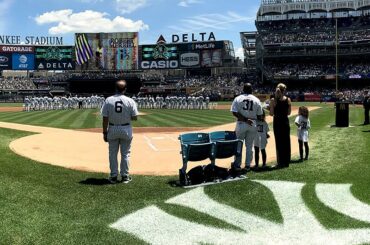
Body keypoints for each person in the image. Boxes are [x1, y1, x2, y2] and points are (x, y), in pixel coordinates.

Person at [101, 80, 138, 184]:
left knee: (112, 154)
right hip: (126, 128)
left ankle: (113, 176)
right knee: (125, 154)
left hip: (112, 128)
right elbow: (135, 117)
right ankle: (125, 176)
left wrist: (104, 132)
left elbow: (105, 118)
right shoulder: (130, 101)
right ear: (125, 89)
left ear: (116, 89)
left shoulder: (108, 100)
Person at [231, 83, 263, 171]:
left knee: (238, 145)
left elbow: (234, 112)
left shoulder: (238, 98)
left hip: (241, 123)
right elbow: (260, 115)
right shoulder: (256, 99)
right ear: (251, 89)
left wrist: (245, 119)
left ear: (243, 89)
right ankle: (248, 165)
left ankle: (237, 165)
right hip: (253, 123)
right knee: (249, 146)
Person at [269, 83, 292, 168]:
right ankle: (286, 162)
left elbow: (271, 114)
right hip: (285, 122)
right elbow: (289, 113)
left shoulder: (273, 100)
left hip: (277, 122)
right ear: (284, 90)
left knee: (279, 142)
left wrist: (270, 108)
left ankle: (280, 162)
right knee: (286, 142)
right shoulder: (288, 99)